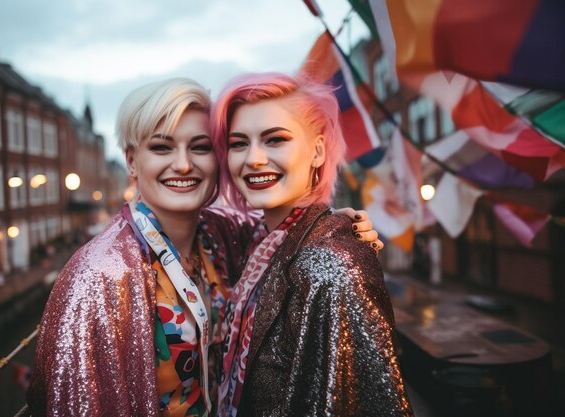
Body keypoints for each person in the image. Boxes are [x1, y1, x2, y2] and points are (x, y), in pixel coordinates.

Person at [27, 77, 379, 416]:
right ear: (132, 161)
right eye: (161, 147)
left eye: (200, 147)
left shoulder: (221, 234)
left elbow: (283, 233)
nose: (183, 164)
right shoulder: (99, 275)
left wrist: (334, 224)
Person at [212, 72, 413, 417]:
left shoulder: (330, 266)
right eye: (238, 143)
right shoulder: (262, 243)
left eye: (275, 139)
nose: (254, 159)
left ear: (317, 151)